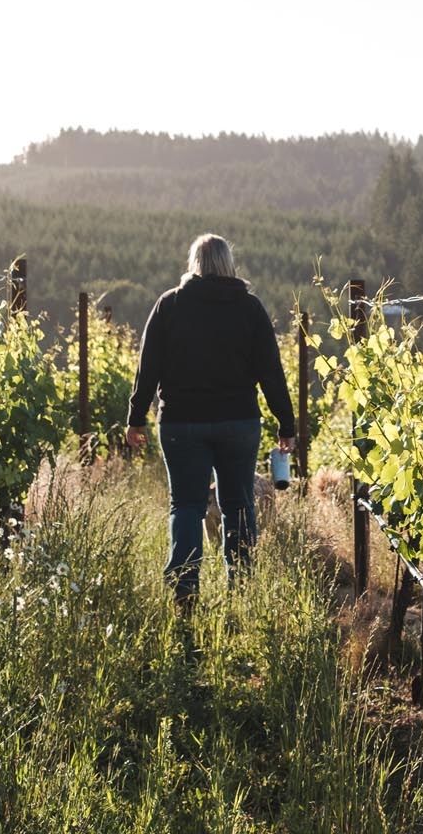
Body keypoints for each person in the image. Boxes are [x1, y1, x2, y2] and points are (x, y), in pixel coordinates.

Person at [124, 234, 296, 604]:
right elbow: (271, 372)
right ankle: (243, 588)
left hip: (181, 424)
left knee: (186, 505)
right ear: (228, 263)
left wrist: (135, 418)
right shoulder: (250, 309)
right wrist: (287, 424)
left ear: (194, 264)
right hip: (239, 423)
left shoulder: (169, 305)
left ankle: (185, 587)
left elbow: (147, 368)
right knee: (238, 504)